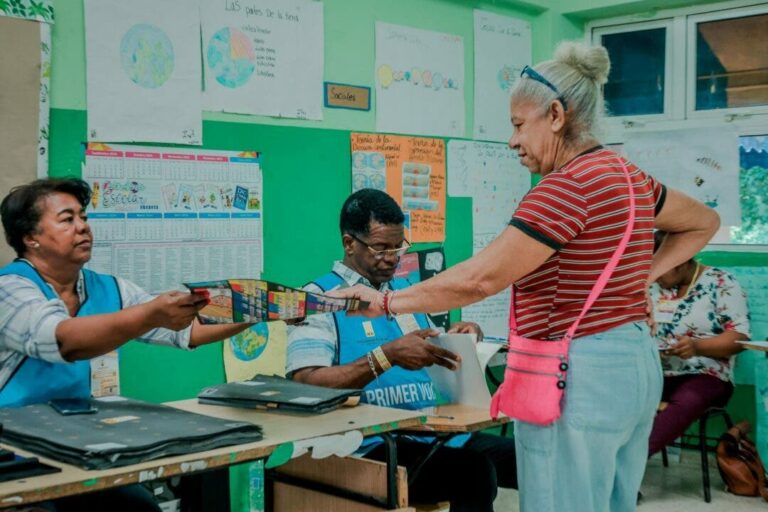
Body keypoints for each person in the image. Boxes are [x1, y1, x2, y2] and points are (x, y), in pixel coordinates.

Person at [332, 41, 721, 512]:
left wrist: (386, 302)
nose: (513, 141)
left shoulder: (565, 187)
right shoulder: (629, 178)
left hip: (576, 373)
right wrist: (639, 275)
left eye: (519, 124)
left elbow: (481, 279)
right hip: (634, 364)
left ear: (555, 115)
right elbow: (703, 222)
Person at [0, 178, 252, 512]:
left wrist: (259, 313)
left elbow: (187, 331)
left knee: (140, 508)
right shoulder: (10, 288)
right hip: (13, 450)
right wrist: (150, 314)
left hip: (74, 439)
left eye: (83, 217)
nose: (83, 227)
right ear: (30, 237)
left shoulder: (109, 288)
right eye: (67, 219)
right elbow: (63, 340)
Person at [286, 188, 518, 512]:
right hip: (373, 445)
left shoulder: (404, 292)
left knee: (527, 456)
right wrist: (386, 356)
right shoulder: (319, 299)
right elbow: (306, 384)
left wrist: (461, 337)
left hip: (433, 433)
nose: (393, 257)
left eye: (398, 246)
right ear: (349, 243)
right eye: (381, 248)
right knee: (474, 473)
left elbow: (429, 348)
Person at [648, 231, 750, 456]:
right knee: (620, 391)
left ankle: (627, 462)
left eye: (659, 268)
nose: (653, 276)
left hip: (707, 376)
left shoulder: (721, 283)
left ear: (681, 260)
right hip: (658, 372)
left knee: (687, 399)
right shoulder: (653, 288)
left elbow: (739, 338)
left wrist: (696, 347)